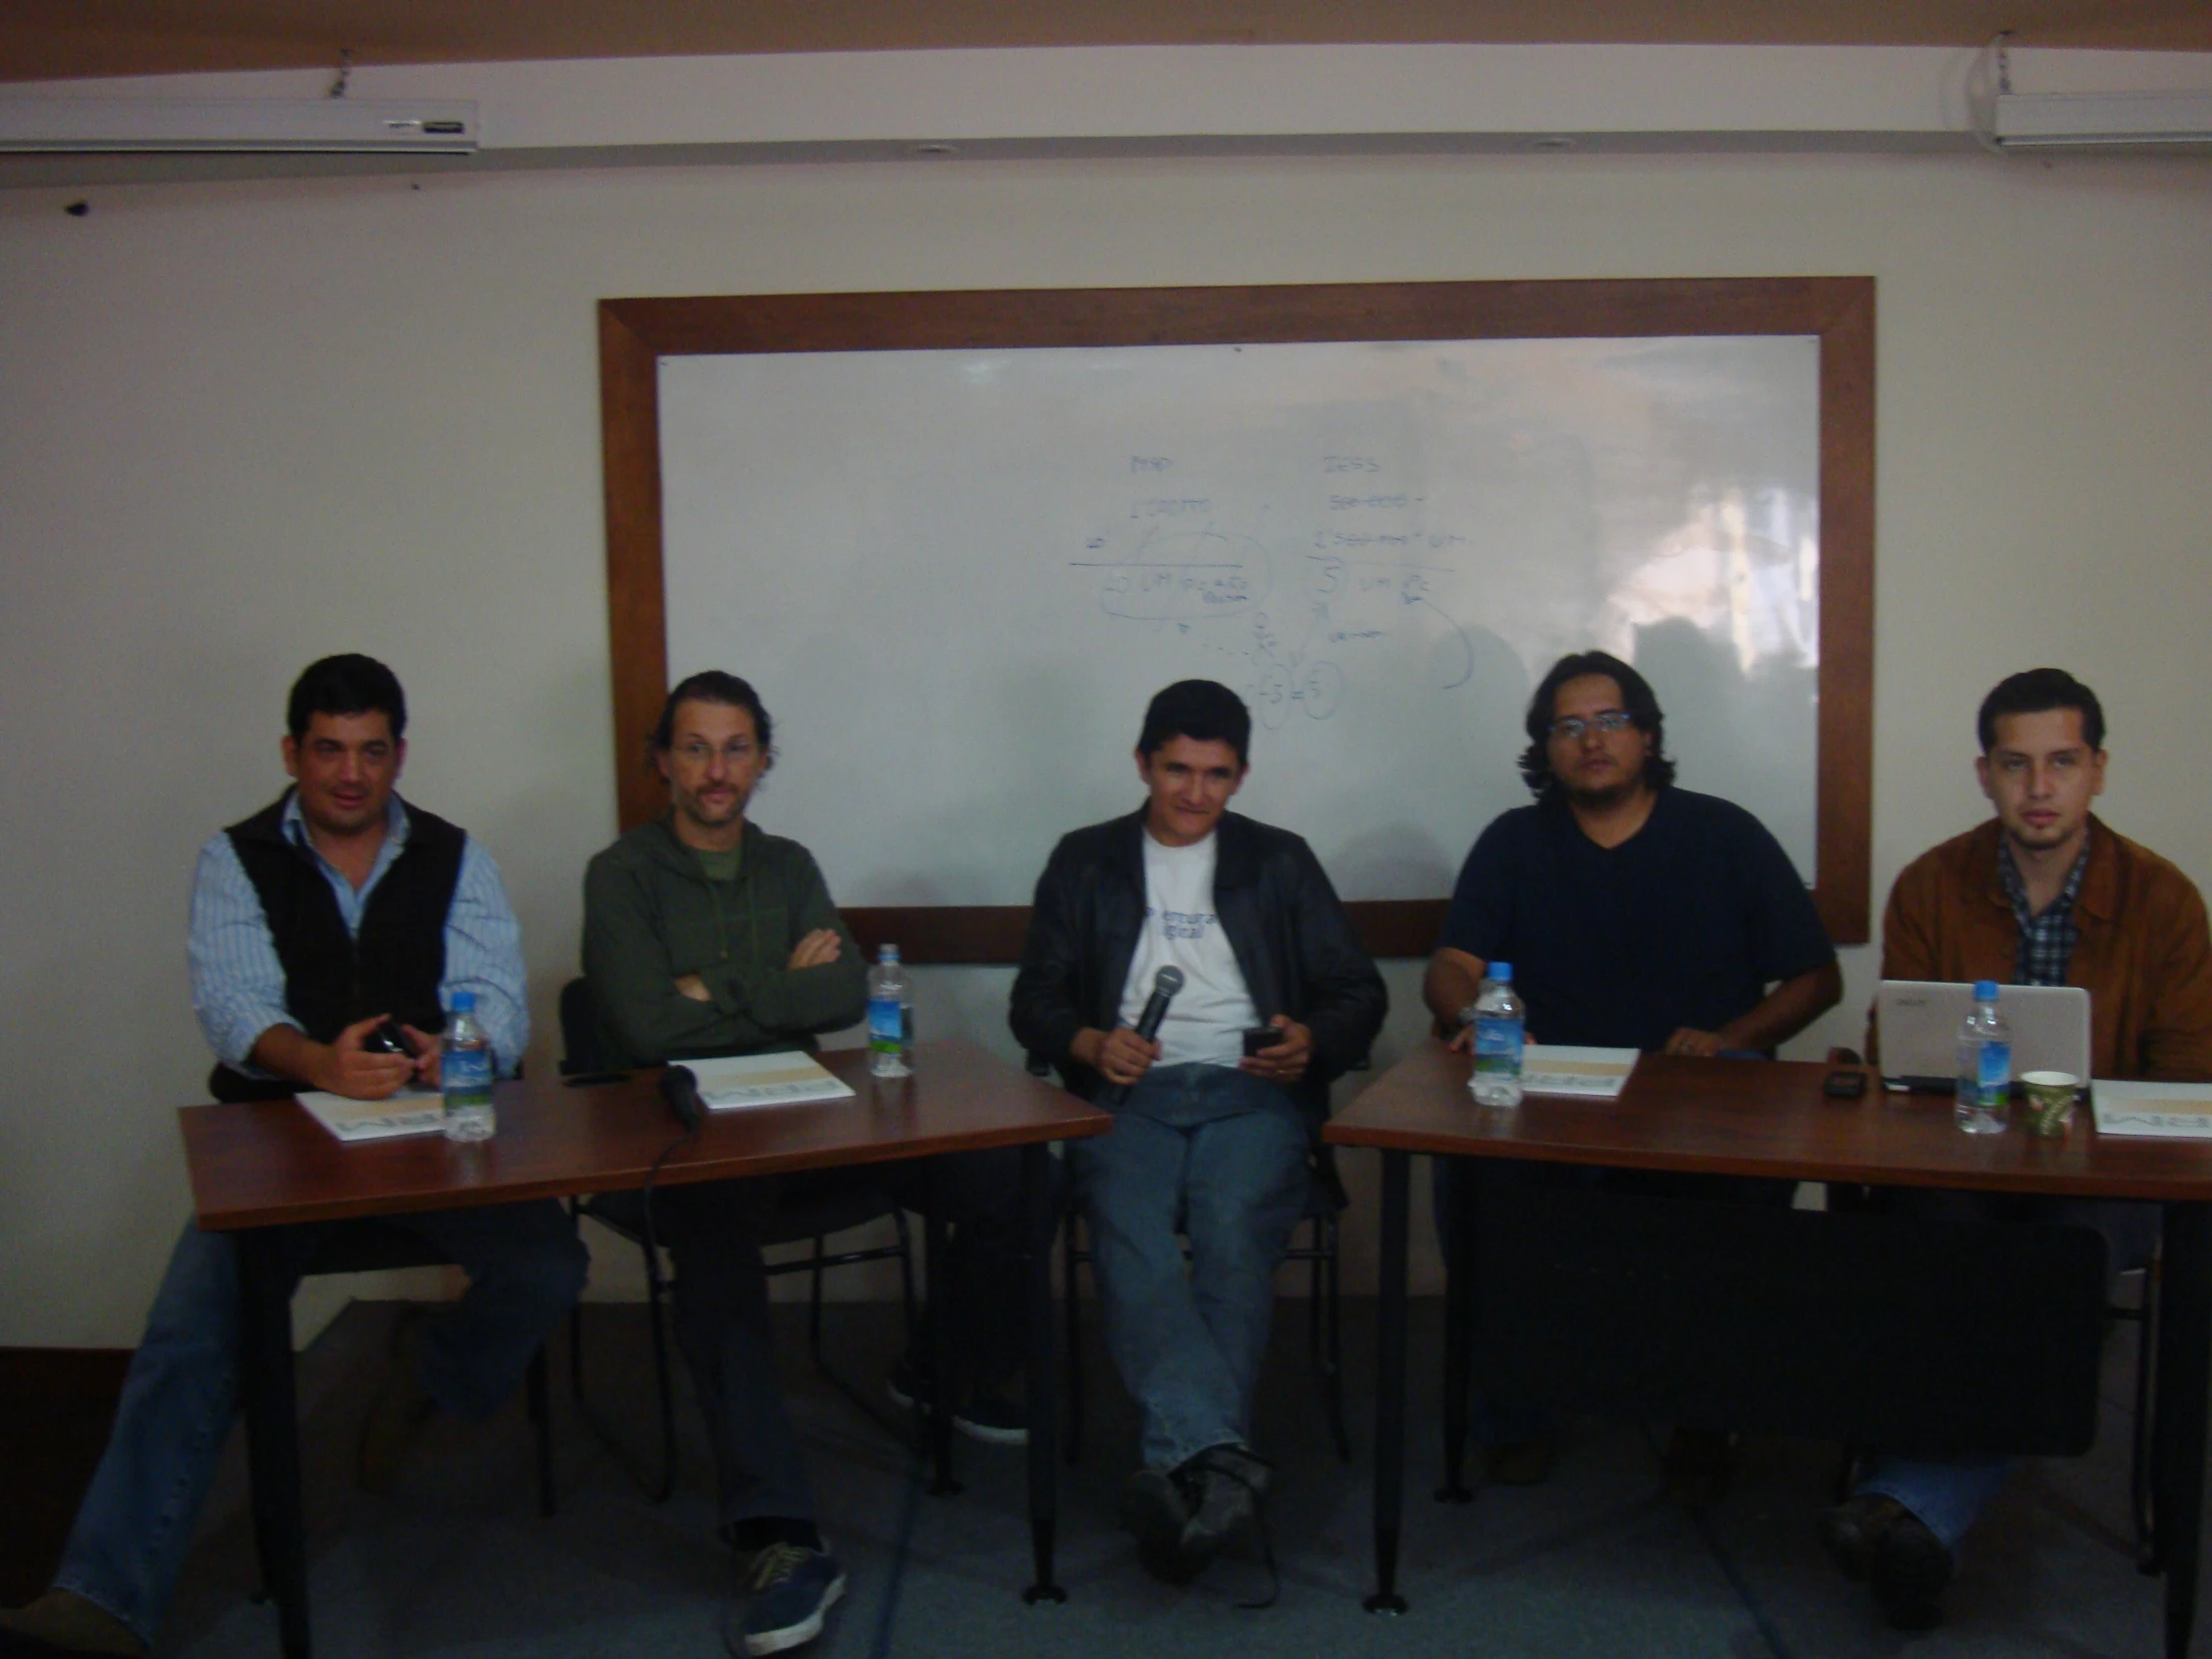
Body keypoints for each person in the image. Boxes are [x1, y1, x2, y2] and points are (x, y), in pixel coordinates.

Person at [0, 655, 586, 1659]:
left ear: (399, 754)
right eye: (328, 750)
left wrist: (461, 1045)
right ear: (292, 752)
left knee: (547, 1263)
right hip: (281, 1143)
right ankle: (102, 1596)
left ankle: (432, 1372)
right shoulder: (234, 859)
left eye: (371, 752)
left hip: (432, 1134)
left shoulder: (455, 855)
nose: (350, 775)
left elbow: (496, 996)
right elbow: (234, 1009)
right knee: (191, 1326)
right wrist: (319, 1062)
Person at [581, 670, 1036, 1657]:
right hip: (688, 1135)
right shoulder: (620, 874)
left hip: (805, 1119)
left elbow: (836, 993)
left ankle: (943, 1369)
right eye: (694, 748)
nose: (715, 770)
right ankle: (777, 1535)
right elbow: (639, 1020)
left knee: (1010, 1174)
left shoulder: (787, 866)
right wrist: (764, 987)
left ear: (763, 760)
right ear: (662, 760)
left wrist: (713, 988)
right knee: (713, 1249)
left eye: (735, 747)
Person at [1821, 668, 2212, 1630]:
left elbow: (2186, 1095)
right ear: (1985, 774)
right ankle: (1920, 1513)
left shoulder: (2163, 901)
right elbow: (1895, 1066)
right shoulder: (1930, 885)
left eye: (2062, 762)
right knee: (1933, 1232)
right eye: (2016, 764)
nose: (2040, 787)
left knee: (2053, 1256)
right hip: (1963, 1162)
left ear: (2098, 771)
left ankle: (1910, 1503)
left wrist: (2075, 1138)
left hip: (2102, 1182)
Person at [1420, 649, 1841, 1496]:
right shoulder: (1513, 841)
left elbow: (1814, 978)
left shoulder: (1725, 834)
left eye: (1610, 720)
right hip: (1551, 1092)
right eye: (1568, 727)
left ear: (1646, 736)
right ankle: (1517, 1409)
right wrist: (1476, 1014)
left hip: (1698, 1092)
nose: (1592, 740)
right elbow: (1451, 965)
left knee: (1728, 1215)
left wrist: (1732, 1037)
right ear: (1548, 747)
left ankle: (1705, 1413)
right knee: (1475, 1179)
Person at [1010, 679, 1386, 1586]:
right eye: (1177, 770)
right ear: (1143, 763)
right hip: (1125, 1095)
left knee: (1228, 1232)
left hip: (1251, 1089)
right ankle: (1216, 1465)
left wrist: (1313, 1043)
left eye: (1217, 775)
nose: (1194, 794)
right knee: (1130, 1230)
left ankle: (1185, 1461)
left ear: (1242, 775)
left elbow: (1357, 994)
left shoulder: (1280, 861)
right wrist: (1090, 1040)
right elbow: (1035, 1003)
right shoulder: (1086, 859)